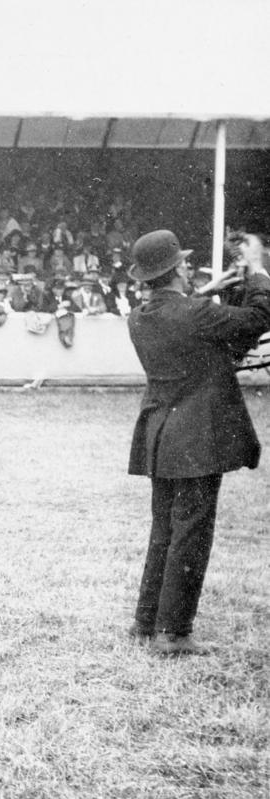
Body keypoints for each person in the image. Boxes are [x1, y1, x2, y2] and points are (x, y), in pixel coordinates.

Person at [127, 229, 270, 655]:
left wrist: (207, 292)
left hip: (160, 437)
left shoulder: (139, 316)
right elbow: (259, 318)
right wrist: (258, 269)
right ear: (179, 269)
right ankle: (173, 633)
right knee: (191, 534)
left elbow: (178, 316)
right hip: (197, 440)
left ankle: (146, 622)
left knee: (165, 532)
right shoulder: (197, 315)